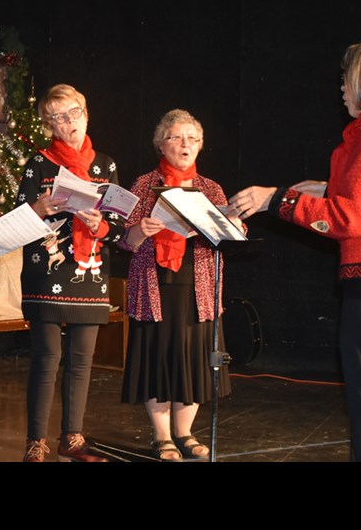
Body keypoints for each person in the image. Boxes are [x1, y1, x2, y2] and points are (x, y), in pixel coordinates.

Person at [229, 38, 361, 462]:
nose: (342, 85)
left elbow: (348, 219)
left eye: (348, 75)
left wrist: (277, 199)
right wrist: (325, 189)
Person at [118, 109, 241, 462]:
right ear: (161, 143)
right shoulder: (144, 184)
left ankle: (184, 432)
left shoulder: (210, 188)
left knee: (195, 360)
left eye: (192, 138)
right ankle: (161, 436)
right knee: (158, 357)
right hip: (155, 283)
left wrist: (230, 226)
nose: (185, 143)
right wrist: (144, 229)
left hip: (198, 284)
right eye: (176, 137)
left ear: (201, 145)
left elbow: (227, 235)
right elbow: (124, 240)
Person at [19, 84, 125, 463]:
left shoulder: (105, 165)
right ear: (50, 124)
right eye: (59, 117)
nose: (69, 122)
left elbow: (116, 222)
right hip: (46, 273)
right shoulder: (38, 164)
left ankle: (72, 438)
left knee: (81, 360)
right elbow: (19, 219)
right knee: (47, 358)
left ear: (86, 113)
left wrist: (101, 224)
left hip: (89, 271)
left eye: (74, 112)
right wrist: (40, 207)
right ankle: (35, 441)